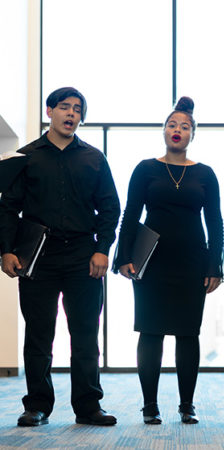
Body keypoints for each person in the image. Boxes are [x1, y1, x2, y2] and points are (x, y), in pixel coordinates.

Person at [0, 87, 121, 426]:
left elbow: (111, 207)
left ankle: (88, 407)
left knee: (85, 334)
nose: (71, 114)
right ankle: (37, 406)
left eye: (77, 109)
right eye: (64, 107)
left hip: (84, 255)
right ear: (49, 111)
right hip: (38, 257)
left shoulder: (94, 158)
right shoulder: (25, 157)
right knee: (39, 334)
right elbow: (8, 208)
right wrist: (6, 251)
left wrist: (102, 249)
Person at [114, 97, 224, 425]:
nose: (178, 130)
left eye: (185, 126)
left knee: (188, 333)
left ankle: (186, 404)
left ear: (193, 134)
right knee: (150, 332)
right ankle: (149, 405)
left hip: (193, 261)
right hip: (151, 262)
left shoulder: (205, 174)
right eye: (172, 125)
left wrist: (215, 265)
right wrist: (124, 256)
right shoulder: (146, 168)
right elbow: (131, 213)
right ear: (164, 130)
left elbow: (216, 223)